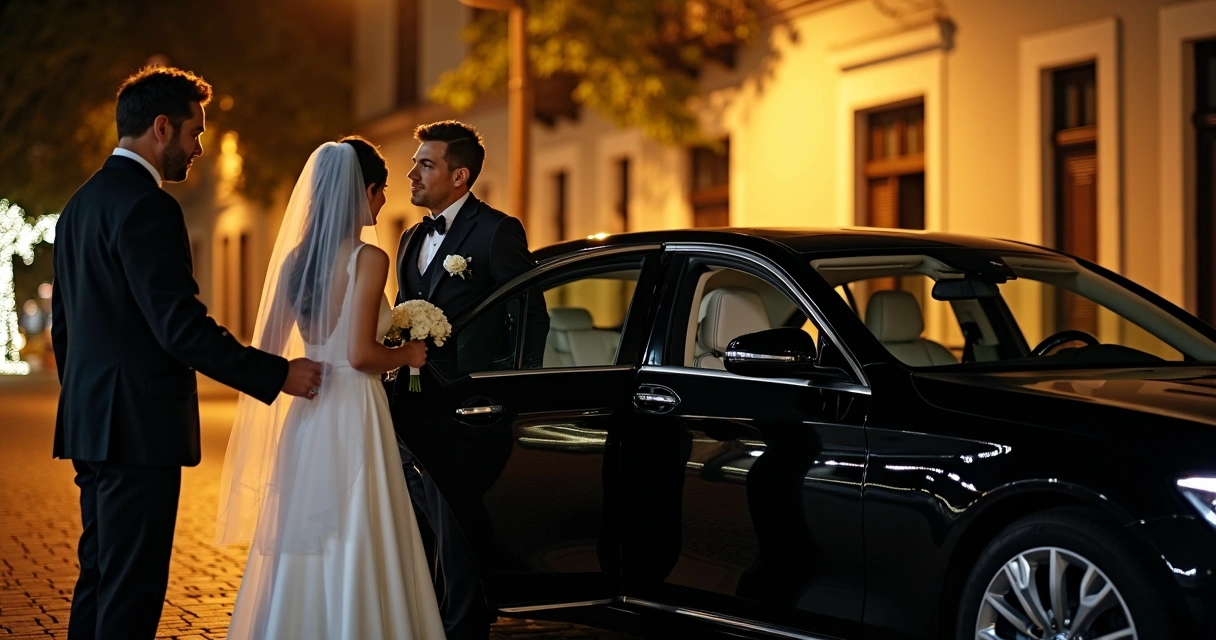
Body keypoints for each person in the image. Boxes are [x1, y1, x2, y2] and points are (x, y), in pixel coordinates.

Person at [51, 66, 324, 639]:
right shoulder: (149, 206)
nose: (199, 147)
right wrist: (276, 374)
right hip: (138, 429)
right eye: (194, 132)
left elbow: (66, 329)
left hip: (90, 422)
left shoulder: (80, 204)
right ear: (161, 127)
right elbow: (180, 327)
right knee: (132, 589)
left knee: (99, 578)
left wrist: (86, 400)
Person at [217, 137, 446, 639]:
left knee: (310, 536)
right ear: (363, 192)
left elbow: (271, 349)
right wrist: (407, 355)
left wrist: (302, 364)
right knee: (357, 529)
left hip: (308, 409)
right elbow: (361, 356)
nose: (384, 201)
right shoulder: (368, 257)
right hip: (354, 410)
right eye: (380, 190)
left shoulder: (294, 260)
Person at [389, 120, 548, 640]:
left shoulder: (496, 231)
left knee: (457, 524)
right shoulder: (411, 236)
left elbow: (530, 312)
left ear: (459, 176)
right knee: (423, 522)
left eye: (425, 164)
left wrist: (511, 385)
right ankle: (431, 616)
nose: (411, 173)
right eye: (415, 162)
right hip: (412, 401)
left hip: (468, 407)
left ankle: (463, 626)